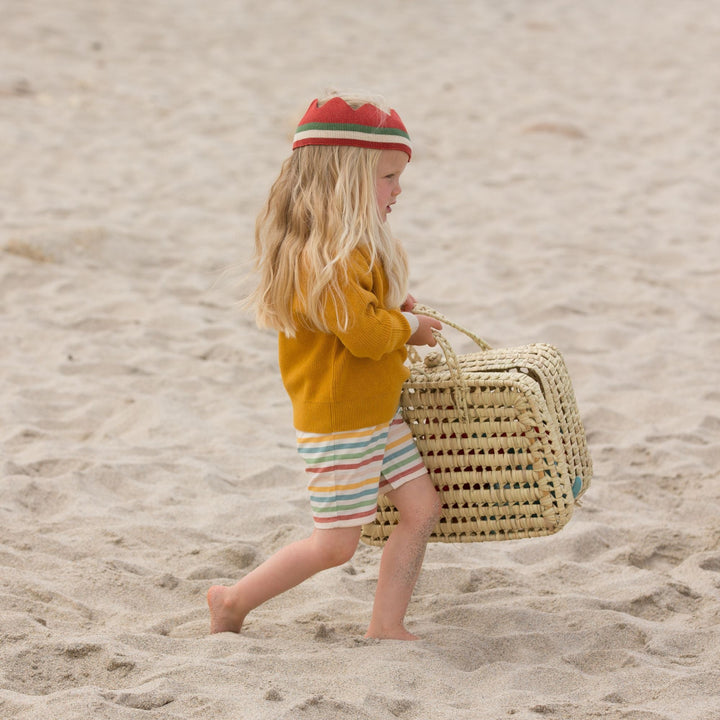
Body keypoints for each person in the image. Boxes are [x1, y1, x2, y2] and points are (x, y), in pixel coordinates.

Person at [207, 92, 443, 641]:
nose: (398, 190)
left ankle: (386, 625)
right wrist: (407, 328)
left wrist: (392, 311)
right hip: (342, 422)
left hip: (376, 410)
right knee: (334, 546)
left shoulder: (351, 248)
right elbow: (362, 337)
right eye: (387, 177)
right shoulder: (326, 257)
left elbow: (359, 318)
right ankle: (232, 600)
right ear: (346, 181)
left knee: (421, 505)